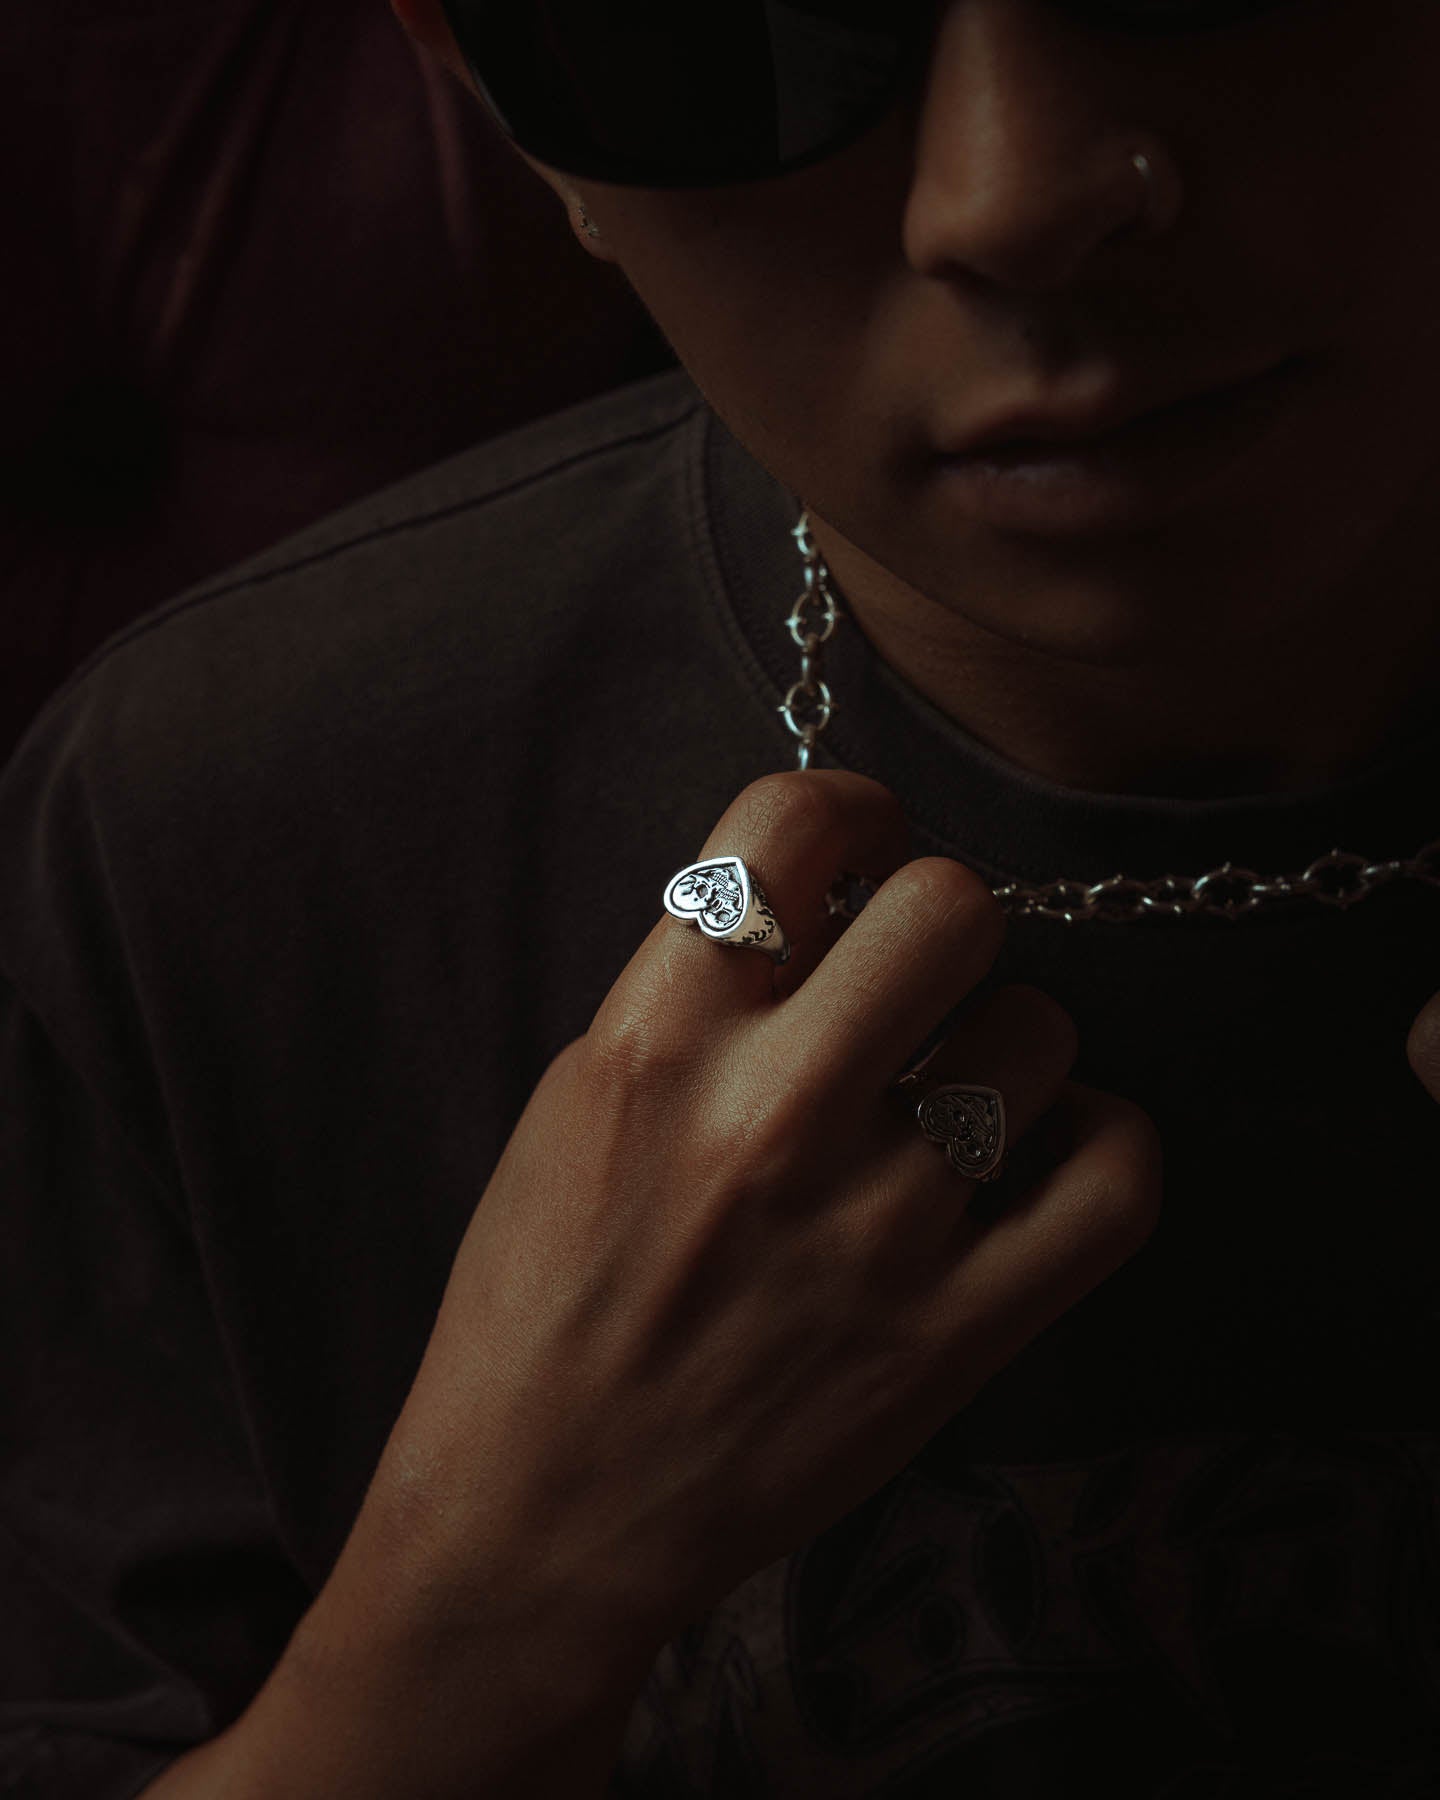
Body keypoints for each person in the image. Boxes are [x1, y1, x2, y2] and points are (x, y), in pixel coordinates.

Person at [5, 1, 1440, 1794]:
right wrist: (484, 1615)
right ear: (492, 101)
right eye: (757, 20)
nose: (1011, 195)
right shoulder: (204, 831)